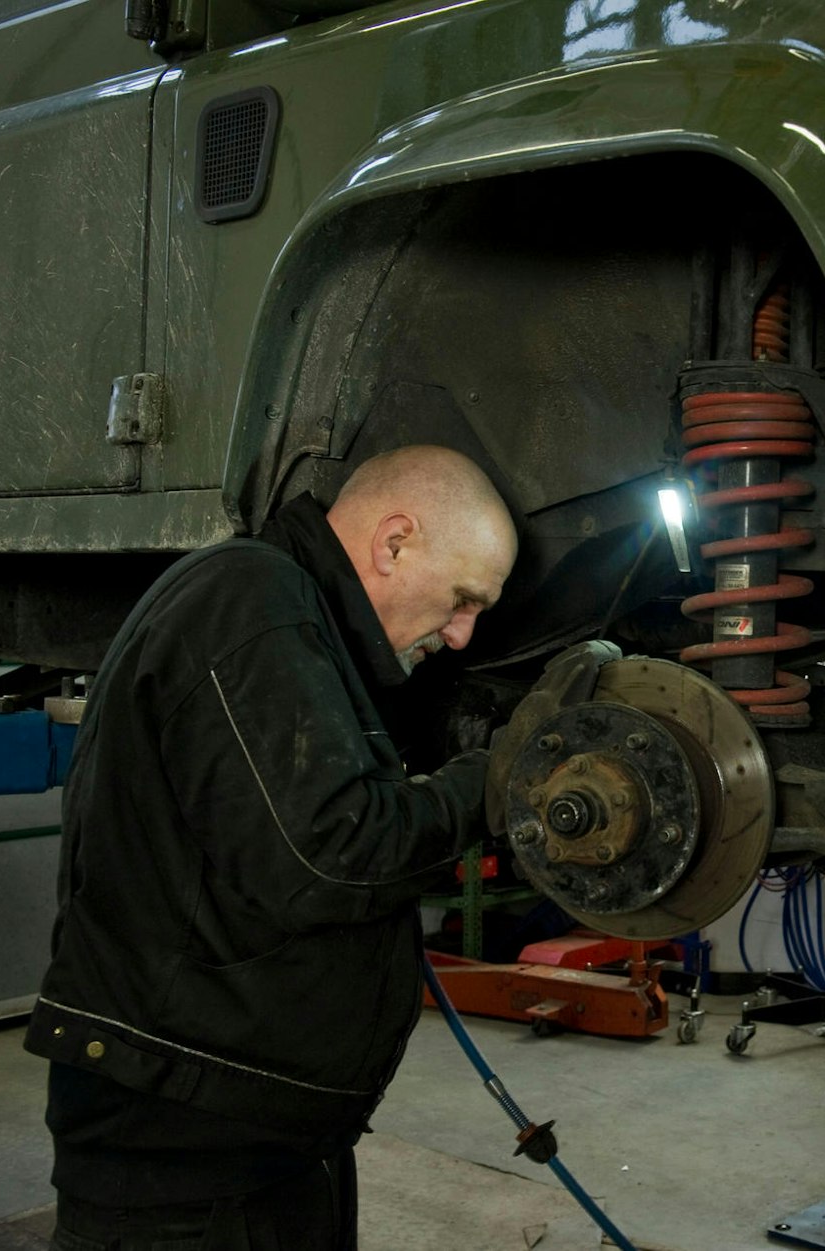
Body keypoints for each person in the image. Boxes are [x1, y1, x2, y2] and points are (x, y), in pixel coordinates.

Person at [26, 445, 518, 1251]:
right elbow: (329, 856)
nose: (463, 633)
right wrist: (495, 779)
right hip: (182, 1167)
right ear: (394, 542)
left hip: (255, 1143)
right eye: (464, 598)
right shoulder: (249, 598)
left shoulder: (297, 621)